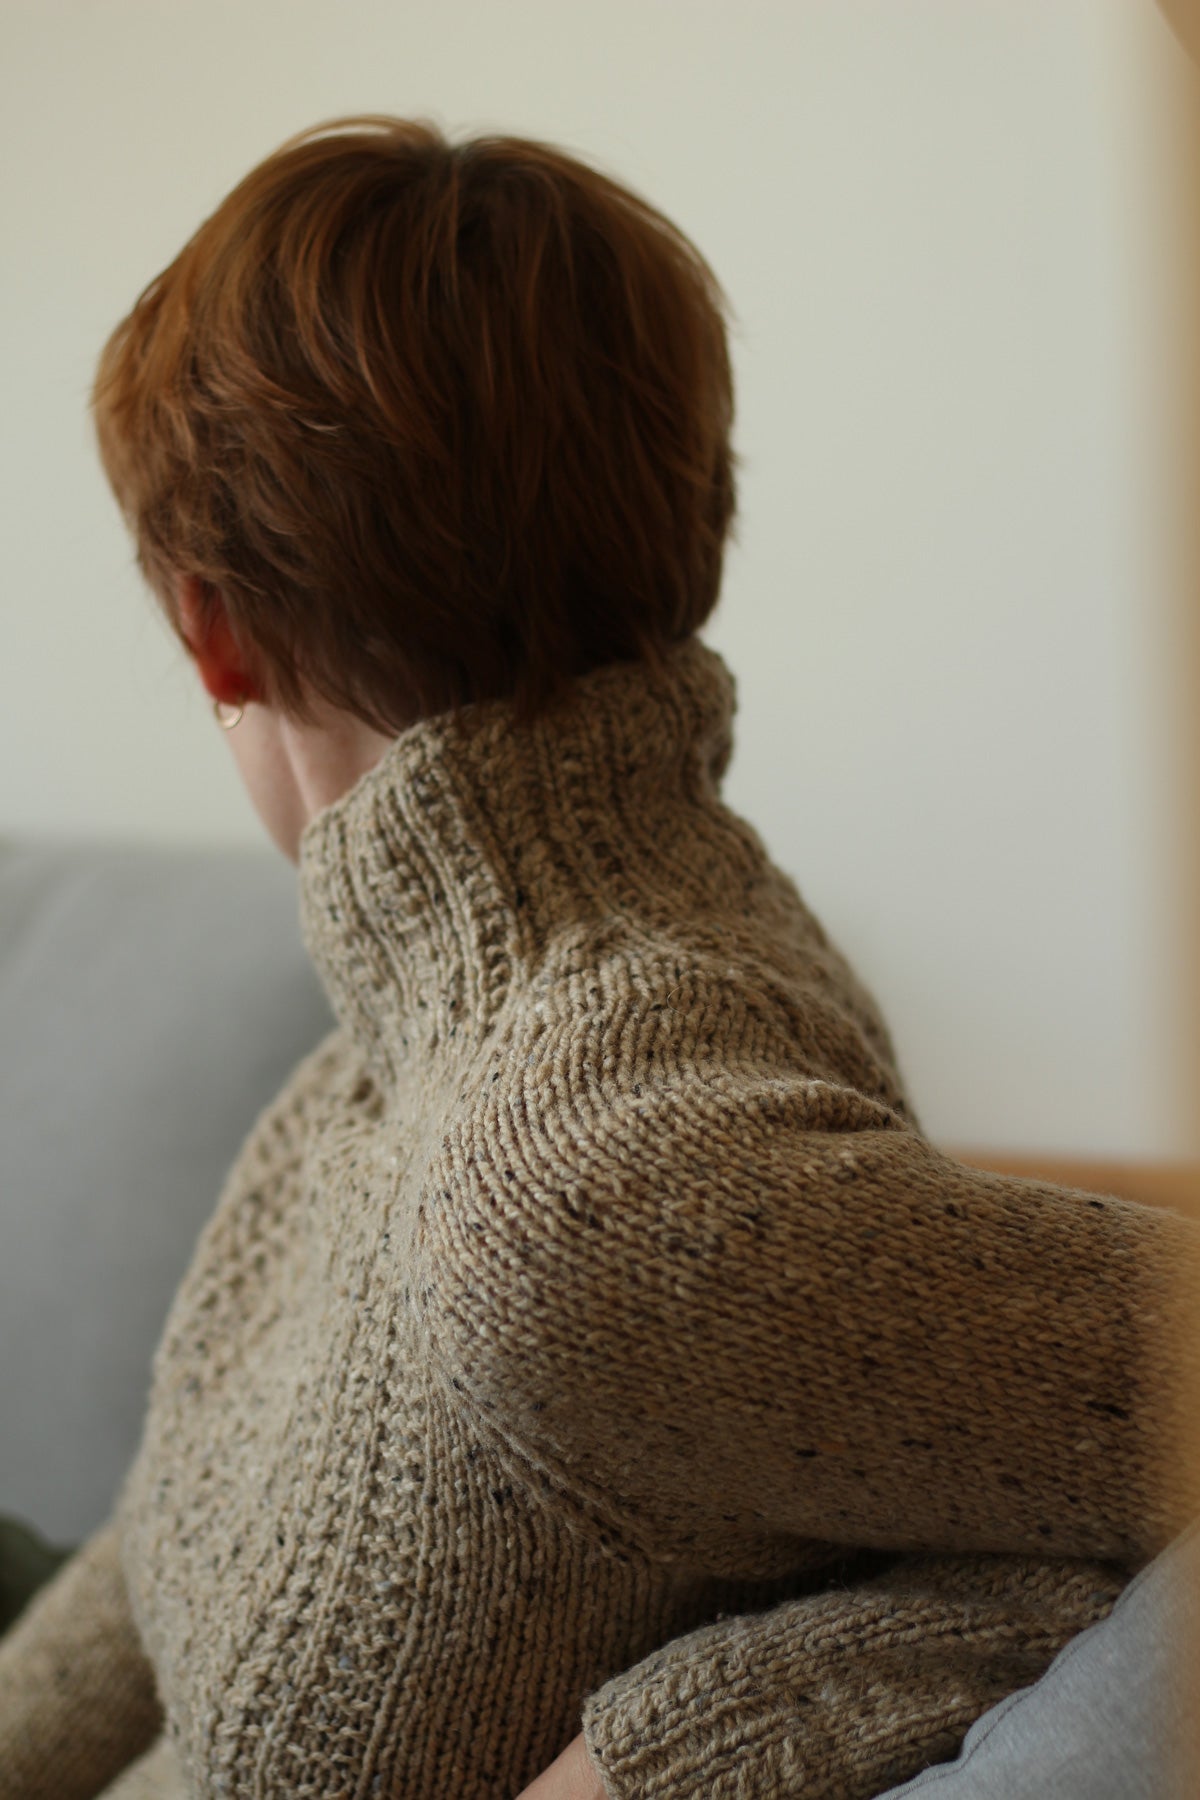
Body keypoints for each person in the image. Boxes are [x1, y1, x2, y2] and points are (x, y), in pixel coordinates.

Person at [0, 115, 1196, 1800]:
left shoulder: (583, 1179)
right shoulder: (417, 1049)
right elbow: (166, 1535)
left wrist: (682, 1749)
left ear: (214, 630)